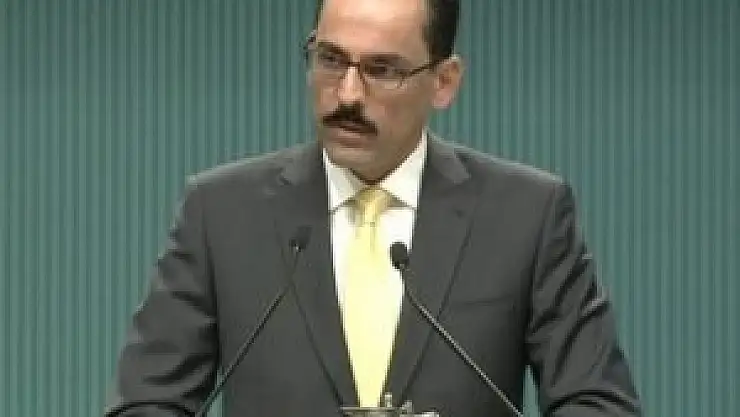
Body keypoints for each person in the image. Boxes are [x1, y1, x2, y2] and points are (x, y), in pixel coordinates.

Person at [105, 0, 642, 416]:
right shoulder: (221, 213)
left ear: (444, 82)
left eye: (382, 69)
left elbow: (596, 403)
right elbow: (147, 404)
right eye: (330, 60)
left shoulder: (527, 215)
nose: (347, 95)